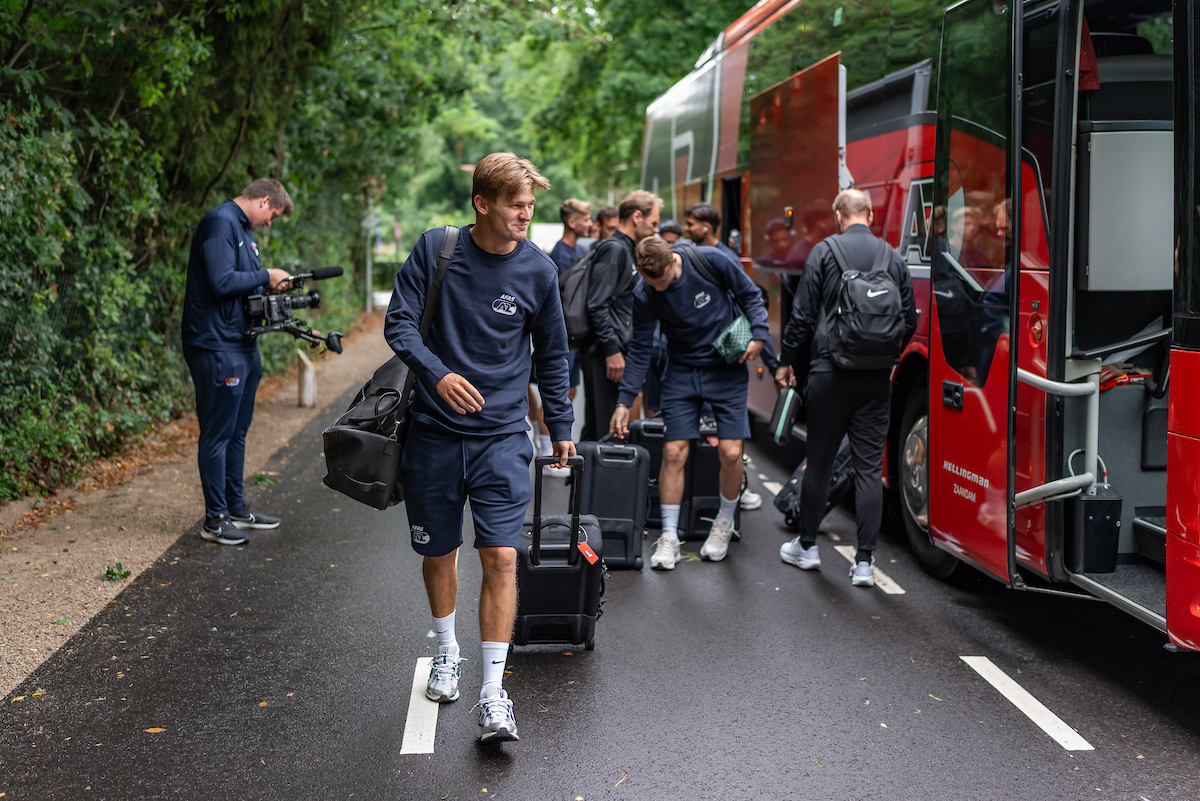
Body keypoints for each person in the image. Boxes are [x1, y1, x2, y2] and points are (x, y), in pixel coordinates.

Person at [384, 152, 575, 743]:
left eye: (531, 204)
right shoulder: (436, 249)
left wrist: (561, 427)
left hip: (502, 439)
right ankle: (447, 652)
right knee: (439, 552)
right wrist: (437, 374)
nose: (526, 214)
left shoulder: (539, 271)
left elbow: (554, 356)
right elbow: (399, 324)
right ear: (482, 203)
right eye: (516, 204)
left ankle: (494, 693)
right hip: (433, 433)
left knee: (502, 558)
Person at [775, 189, 917, 586]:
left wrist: (787, 361)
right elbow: (910, 320)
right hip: (875, 381)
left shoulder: (824, 251)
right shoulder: (893, 257)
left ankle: (806, 547)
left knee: (820, 462)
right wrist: (885, 357)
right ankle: (865, 563)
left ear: (839, 216)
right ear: (869, 214)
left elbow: (802, 317)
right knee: (869, 469)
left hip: (829, 374)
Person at [610, 236, 769, 569]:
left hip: (726, 368)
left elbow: (751, 295)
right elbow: (640, 348)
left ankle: (725, 522)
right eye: (652, 283)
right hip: (681, 372)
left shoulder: (710, 260)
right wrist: (624, 401)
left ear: (673, 261)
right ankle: (669, 535)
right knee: (673, 452)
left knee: (730, 452)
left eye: (663, 281)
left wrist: (759, 335)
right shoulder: (645, 292)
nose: (659, 288)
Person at [181, 178, 296, 547]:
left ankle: (235, 507)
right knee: (217, 433)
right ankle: (214, 519)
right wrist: (267, 274)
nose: (270, 223)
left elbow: (242, 285)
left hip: (242, 342)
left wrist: (268, 285)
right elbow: (220, 281)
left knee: (238, 430)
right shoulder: (220, 222)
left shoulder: (244, 230)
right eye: (272, 215)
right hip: (215, 344)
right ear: (263, 201)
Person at [579, 190, 661, 441]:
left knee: (602, 429)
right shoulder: (615, 249)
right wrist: (612, 351)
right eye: (653, 223)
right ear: (637, 217)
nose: (656, 230)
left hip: (613, 350)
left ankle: (584, 467)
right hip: (605, 354)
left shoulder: (627, 249)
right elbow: (596, 304)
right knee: (607, 431)